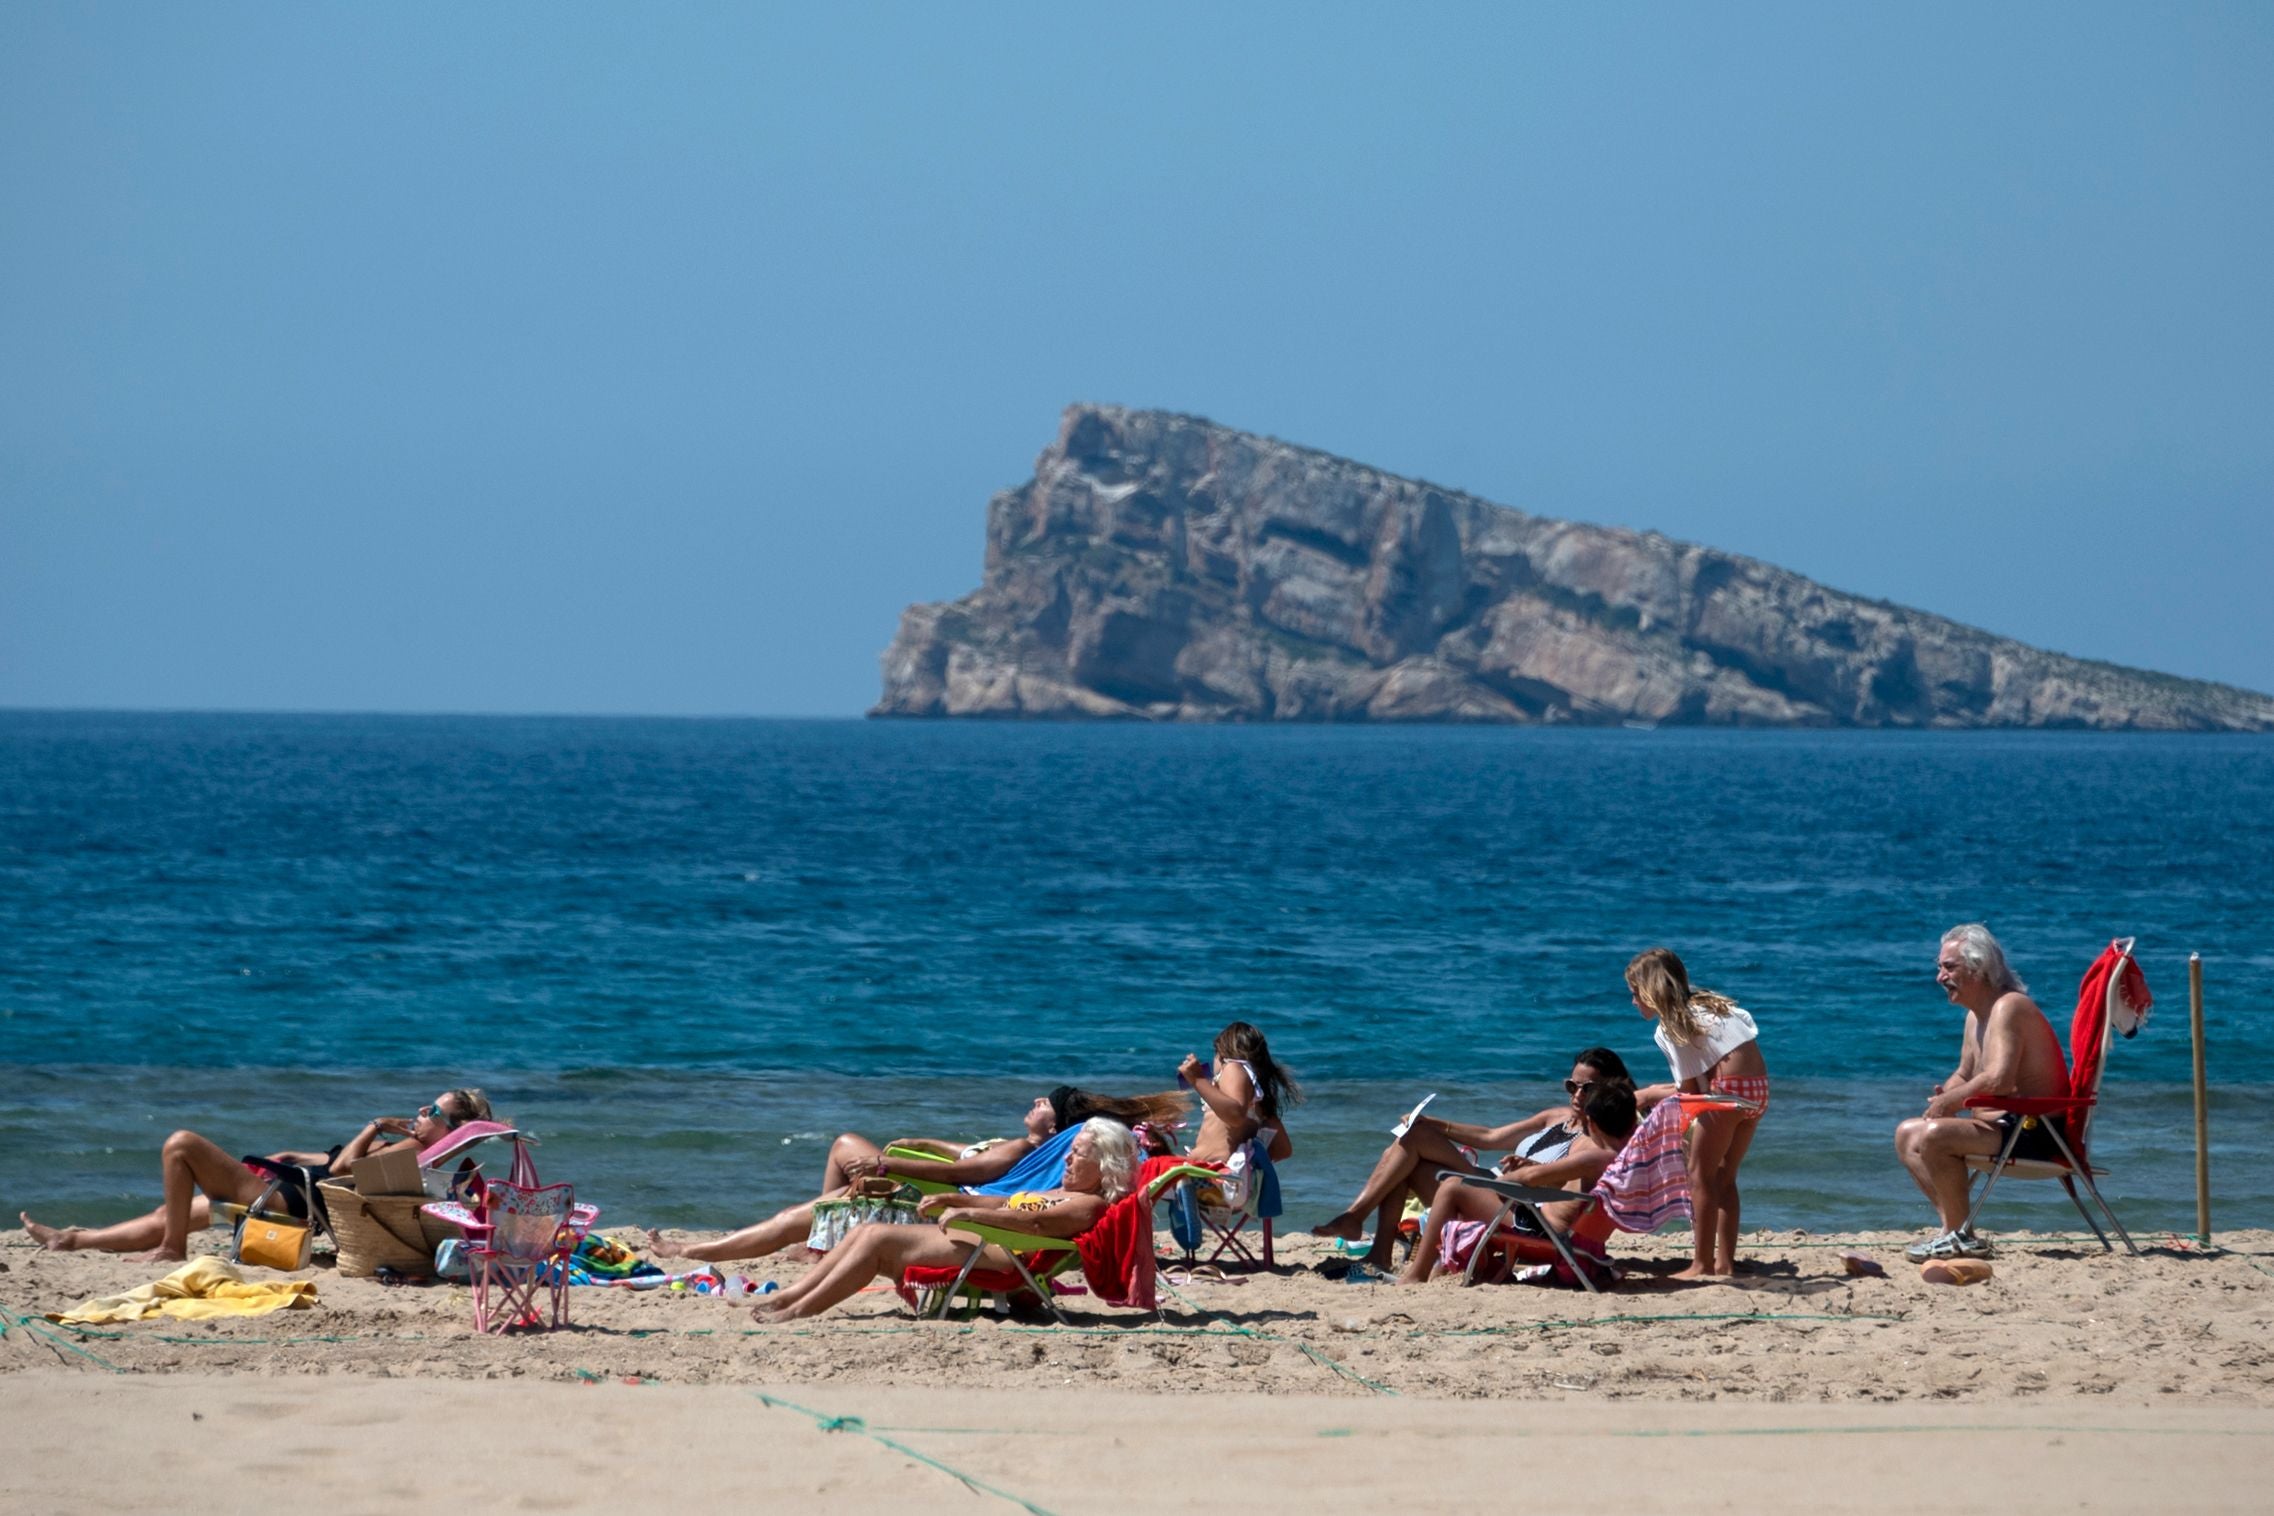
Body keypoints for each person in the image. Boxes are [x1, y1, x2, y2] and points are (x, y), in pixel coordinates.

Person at [647, 1085, 1184, 1264]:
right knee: (820, 1196)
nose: (1036, 1100)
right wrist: (918, 1144)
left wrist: (887, 1163)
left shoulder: (1039, 1151)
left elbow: (970, 1173)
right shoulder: (1045, 1155)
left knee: (808, 1210)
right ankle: (815, 1241)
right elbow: (963, 1156)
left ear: (1061, 1125)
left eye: (1048, 1102)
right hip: (959, 1200)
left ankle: (695, 1252)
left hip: (950, 1205)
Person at [18, 1088, 492, 1263]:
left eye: (432, 1110)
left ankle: (172, 1249)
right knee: (172, 1209)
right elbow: (333, 1162)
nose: (419, 1110)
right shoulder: (409, 1146)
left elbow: (344, 1169)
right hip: (288, 1188)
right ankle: (72, 1241)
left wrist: (372, 1125)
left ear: (449, 1129)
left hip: (289, 1203)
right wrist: (289, 1154)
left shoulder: (412, 1146)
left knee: (180, 1144)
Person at [750, 1116, 1142, 1321]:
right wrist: (950, 1198)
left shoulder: (1090, 1205)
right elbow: (1008, 1206)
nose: (1067, 1159)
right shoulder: (1063, 1191)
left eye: (1078, 1155)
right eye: (1070, 1151)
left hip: (1007, 1252)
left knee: (877, 1240)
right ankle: (790, 1296)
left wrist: (968, 1213)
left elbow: (1036, 1226)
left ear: (1104, 1165)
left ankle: (800, 1310)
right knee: (868, 1231)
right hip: (990, 1237)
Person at [1309, 1047, 1635, 1268]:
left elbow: (1568, 1190)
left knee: (1413, 1142)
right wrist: (1432, 1121)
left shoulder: (1595, 1138)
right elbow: (1491, 1137)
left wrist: (1533, 1168)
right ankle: (1377, 1252)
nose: (1577, 1096)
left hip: (1519, 1205)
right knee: (1405, 1152)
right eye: (1571, 1086)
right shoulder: (1556, 1116)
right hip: (1497, 1187)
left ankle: (1356, 1221)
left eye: (1588, 1089)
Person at [1892, 923, 2069, 1262]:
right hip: (2003, 1128)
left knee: (1933, 1138)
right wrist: (1944, 1097)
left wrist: (1952, 1101)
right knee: (1906, 1133)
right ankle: (1956, 1231)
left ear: (1979, 968)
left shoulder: (2009, 1007)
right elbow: (1965, 1073)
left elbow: (1999, 1079)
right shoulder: (1977, 1016)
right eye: (1940, 967)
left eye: (1949, 967)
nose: (1940, 977)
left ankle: (1958, 1236)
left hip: (2036, 1131)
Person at [1398, 1080, 1640, 1284]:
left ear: (1592, 1123)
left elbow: (1528, 1178)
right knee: (1466, 1191)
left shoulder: (1594, 1157)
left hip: (1547, 1236)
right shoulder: (1627, 1159)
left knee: (1452, 1187)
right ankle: (1447, 1266)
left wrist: (1499, 1182)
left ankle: (1416, 1274)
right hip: (1572, 1237)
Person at [1628, 947, 1768, 1280]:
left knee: (1699, 1177)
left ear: (1651, 990)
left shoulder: (1672, 1025)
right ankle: (1725, 1264)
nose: (1633, 1001)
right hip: (1758, 1090)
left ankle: (1702, 1264)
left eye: (1635, 993)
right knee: (1724, 1177)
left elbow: (1689, 1092)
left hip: (1727, 1094)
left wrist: (1647, 1095)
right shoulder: (1712, 1005)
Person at [1178, 1020, 1299, 1166]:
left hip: (1212, 1173)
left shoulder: (1233, 1066)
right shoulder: (1258, 1101)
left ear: (1222, 1053)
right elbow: (1283, 1150)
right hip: (1232, 1176)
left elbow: (1235, 1115)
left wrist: (1198, 1080)